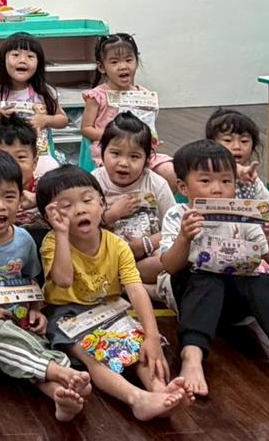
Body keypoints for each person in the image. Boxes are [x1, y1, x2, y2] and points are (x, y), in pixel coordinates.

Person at [159, 140, 269, 397]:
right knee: (206, 278)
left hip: (237, 303)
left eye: (226, 181)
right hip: (194, 298)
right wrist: (184, 237)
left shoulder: (244, 215)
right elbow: (170, 266)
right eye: (205, 181)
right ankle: (191, 358)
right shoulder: (178, 215)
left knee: (264, 281)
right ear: (183, 187)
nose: (217, 188)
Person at [36, 166, 192, 421]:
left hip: (110, 307)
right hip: (65, 313)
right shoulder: (53, 241)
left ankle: (159, 391)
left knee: (141, 345)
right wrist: (61, 233)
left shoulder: (117, 244)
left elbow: (135, 290)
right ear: (49, 216)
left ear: (102, 204)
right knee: (94, 355)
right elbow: (63, 281)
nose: (80, 209)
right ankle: (136, 399)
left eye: (87, 200)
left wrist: (152, 336)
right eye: (66, 206)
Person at [0, 151, 92, 421]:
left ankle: (58, 394)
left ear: (21, 199)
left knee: (21, 346)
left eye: (9, 196)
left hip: (15, 318)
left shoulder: (24, 240)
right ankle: (60, 370)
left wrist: (36, 310)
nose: (1, 206)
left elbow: (32, 281)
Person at [204, 107, 269, 292]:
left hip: (245, 239)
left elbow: (264, 210)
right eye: (228, 140)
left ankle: (264, 273)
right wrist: (236, 170)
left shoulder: (252, 180)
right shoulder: (204, 171)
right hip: (211, 239)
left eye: (244, 141)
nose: (237, 146)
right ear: (211, 144)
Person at [81, 33, 176, 192]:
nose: (123, 66)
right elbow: (86, 128)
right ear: (102, 67)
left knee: (171, 172)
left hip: (140, 151)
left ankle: (157, 204)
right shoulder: (97, 96)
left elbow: (148, 125)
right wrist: (113, 136)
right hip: (111, 152)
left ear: (137, 62)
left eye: (128, 60)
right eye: (114, 62)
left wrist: (151, 139)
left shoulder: (144, 95)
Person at [92, 112, 176, 285]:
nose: (124, 163)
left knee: (166, 260)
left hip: (145, 257)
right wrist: (111, 215)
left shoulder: (156, 184)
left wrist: (146, 244)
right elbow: (82, 227)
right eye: (116, 153)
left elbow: (174, 227)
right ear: (102, 152)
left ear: (147, 159)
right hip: (106, 254)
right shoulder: (93, 182)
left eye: (134, 156)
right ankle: (133, 285)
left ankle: (124, 283)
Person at [0, 32, 68, 158]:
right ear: (3, 60)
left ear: (39, 63)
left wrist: (46, 120)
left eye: (30, 56)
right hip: (4, 158)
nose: (22, 60)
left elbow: (63, 120)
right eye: (15, 55)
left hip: (39, 156)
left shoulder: (44, 92)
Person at [0, 114, 59, 243]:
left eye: (20, 157)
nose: (12, 164)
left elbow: (67, 205)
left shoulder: (47, 177)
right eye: (3, 157)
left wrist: (39, 200)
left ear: (34, 162)